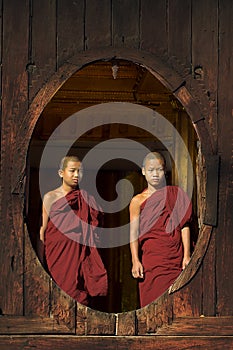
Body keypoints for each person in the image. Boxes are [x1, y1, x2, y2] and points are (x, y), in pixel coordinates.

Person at [38, 155, 108, 306]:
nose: (77, 175)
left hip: (80, 253)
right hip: (57, 253)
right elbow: (43, 231)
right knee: (57, 293)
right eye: (72, 171)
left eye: (80, 171)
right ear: (61, 173)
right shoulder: (50, 197)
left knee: (78, 294)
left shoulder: (86, 199)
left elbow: (96, 229)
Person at [129, 151, 192, 308]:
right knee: (152, 304)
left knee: (177, 302)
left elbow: (184, 225)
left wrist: (187, 255)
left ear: (165, 171)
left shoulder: (175, 194)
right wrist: (135, 260)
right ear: (143, 171)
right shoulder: (137, 201)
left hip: (174, 258)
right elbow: (133, 234)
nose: (155, 174)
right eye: (151, 170)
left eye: (159, 169)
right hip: (152, 260)